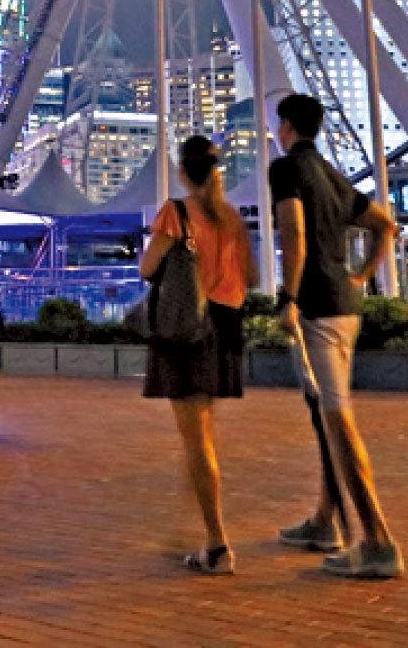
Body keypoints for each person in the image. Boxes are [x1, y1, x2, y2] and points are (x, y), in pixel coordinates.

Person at [270, 92, 405, 581]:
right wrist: (362, 275)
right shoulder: (331, 174)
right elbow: (385, 225)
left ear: (286, 126)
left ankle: (378, 541)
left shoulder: (286, 169)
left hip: (316, 307)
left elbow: (293, 234)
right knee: (325, 414)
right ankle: (326, 520)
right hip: (346, 306)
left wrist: (288, 296)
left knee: (338, 421)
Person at [140, 134, 257, 576]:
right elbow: (251, 276)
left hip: (188, 329)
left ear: (184, 172)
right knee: (201, 436)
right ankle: (199, 520)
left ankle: (217, 543)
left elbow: (147, 268)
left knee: (197, 441)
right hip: (225, 327)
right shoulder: (231, 218)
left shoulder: (176, 212)